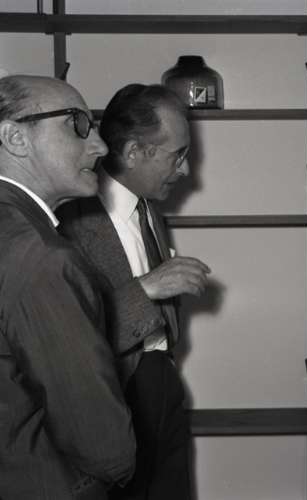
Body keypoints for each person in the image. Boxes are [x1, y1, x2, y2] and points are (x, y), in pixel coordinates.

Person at [58, 83, 211, 500]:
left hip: (162, 383)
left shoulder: (148, 206)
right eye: (177, 155)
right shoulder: (66, 221)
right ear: (132, 152)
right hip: (109, 395)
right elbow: (67, 335)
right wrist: (148, 287)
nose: (185, 171)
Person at [0, 75, 136, 500]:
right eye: (77, 124)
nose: (100, 146)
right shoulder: (41, 254)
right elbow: (101, 439)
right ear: (15, 138)